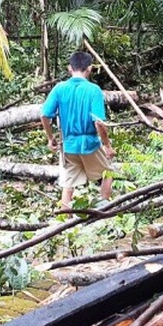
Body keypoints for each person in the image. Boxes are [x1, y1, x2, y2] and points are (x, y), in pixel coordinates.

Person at [40, 51, 115, 209]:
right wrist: (107, 145)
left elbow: (44, 115)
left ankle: (65, 220)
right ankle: (104, 211)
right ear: (90, 69)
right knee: (108, 173)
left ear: (69, 68)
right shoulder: (94, 90)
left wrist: (50, 138)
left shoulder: (59, 88)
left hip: (69, 144)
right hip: (90, 143)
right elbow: (99, 123)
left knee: (68, 184)